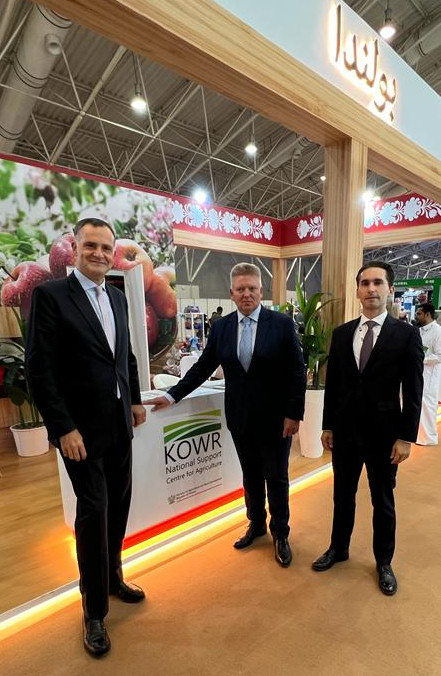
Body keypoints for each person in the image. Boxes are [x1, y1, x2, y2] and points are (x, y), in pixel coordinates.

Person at [26, 218, 147, 657]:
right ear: (75, 249)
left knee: (119, 504)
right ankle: (93, 610)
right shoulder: (51, 295)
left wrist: (134, 400)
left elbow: (124, 355)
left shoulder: (115, 296)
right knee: (93, 512)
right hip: (80, 432)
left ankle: (112, 577)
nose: (99, 253)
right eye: (90, 245)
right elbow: (39, 369)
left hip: (118, 423)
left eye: (105, 247)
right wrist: (63, 428)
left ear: (114, 254)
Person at [148, 263, 306, 568]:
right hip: (240, 417)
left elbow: (297, 372)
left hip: (276, 420)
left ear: (261, 291)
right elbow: (202, 367)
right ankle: (256, 524)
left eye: (252, 288)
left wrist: (293, 413)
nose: (247, 294)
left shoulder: (281, 324)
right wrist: (171, 395)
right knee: (250, 476)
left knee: (276, 477)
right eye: (241, 289)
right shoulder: (221, 327)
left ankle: (280, 533)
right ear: (231, 293)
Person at [312, 261, 423, 596]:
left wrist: (406, 437)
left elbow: (414, 390)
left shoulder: (406, 334)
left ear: (390, 289)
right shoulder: (342, 333)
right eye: (365, 283)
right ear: (358, 290)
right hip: (345, 433)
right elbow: (334, 385)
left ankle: (384, 562)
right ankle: (338, 548)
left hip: (384, 435)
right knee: (342, 496)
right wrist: (328, 425)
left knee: (383, 501)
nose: (371, 289)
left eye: (378, 283)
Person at [415, 303, 441, 445]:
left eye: (419, 313)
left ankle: (429, 437)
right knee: (418, 404)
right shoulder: (419, 330)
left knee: (428, 405)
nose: (416, 316)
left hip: (430, 375)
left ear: (427, 314)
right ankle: (418, 435)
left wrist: (422, 359)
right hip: (419, 373)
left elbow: (439, 355)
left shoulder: (438, 331)